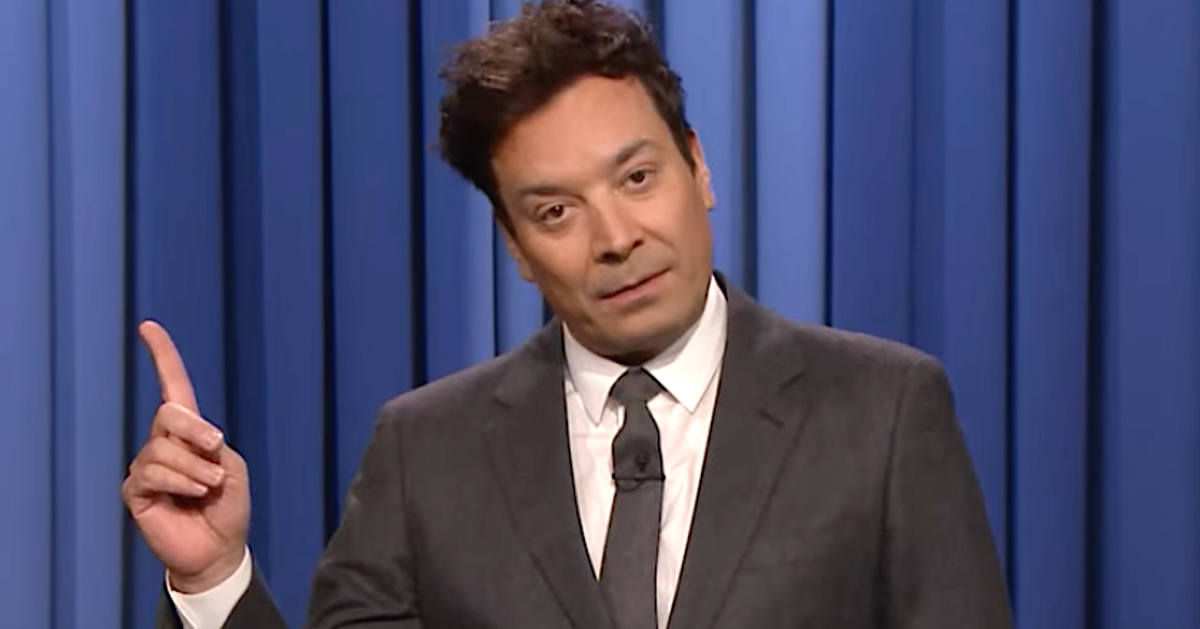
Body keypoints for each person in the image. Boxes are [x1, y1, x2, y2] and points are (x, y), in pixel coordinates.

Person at [122, 1, 1014, 627]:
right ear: (515, 244)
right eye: (556, 211)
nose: (616, 238)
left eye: (638, 177)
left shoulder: (882, 410)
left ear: (698, 166)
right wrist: (213, 577)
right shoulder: (424, 452)